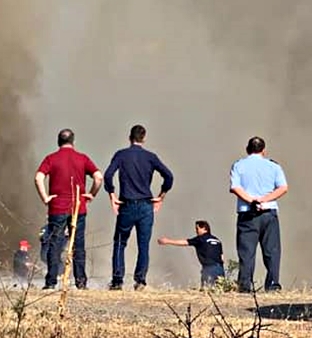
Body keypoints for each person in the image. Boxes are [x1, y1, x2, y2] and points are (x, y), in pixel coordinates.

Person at [103, 124, 174, 291]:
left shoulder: (121, 155)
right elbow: (169, 176)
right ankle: (140, 281)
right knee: (144, 245)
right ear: (144, 138)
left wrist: (112, 195)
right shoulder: (150, 157)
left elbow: (108, 175)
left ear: (130, 137)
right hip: (145, 206)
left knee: (120, 243)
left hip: (126, 205)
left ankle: (117, 280)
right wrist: (161, 196)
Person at [34, 128, 103, 290]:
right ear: (73, 141)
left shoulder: (51, 158)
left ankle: (51, 282)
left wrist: (45, 197)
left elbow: (38, 177)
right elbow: (98, 177)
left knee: (54, 245)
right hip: (78, 208)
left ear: (59, 141)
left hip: (57, 208)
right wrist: (91, 194)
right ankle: (80, 282)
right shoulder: (82, 158)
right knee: (78, 245)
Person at [229, 136, 289, 293]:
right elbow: (283, 188)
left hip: (248, 214)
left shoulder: (238, 165)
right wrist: (264, 200)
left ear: (247, 149)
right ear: (264, 150)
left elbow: (235, 187)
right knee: (272, 251)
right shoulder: (273, 166)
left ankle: (245, 286)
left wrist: (252, 200)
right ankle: (273, 285)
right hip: (269, 213)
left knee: (246, 252)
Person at [158, 220, 225, 289]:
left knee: (206, 290)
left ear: (204, 228)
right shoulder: (217, 240)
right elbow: (222, 257)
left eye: (197, 229)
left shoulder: (200, 238)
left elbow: (185, 242)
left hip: (209, 268)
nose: (196, 231)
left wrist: (168, 241)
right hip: (220, 269)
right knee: (220, 290)